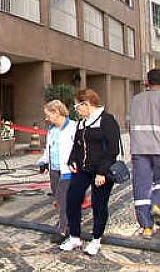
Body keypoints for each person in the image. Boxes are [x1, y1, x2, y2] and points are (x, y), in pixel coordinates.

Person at [60, 89, 120, 255]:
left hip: (101, 170)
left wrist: (102, 172)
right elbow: (77, 145)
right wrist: (72, 160)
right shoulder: (82, 122)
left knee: (99, 204)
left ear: (86, 104)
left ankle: (96, 239)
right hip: (83, 169)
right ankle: (74, 236)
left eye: (77, 106)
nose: (76, 110)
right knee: (72, 199)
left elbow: (113, 149)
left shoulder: (107, 121)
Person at [38, 100, 76, 243]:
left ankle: (63, 229)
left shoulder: (73, 128)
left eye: (48, 115)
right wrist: (44, 161)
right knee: (59, 199)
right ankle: (66, 222)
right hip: (54, 169)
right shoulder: (52, 130)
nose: (47, 118)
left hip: (68, 171)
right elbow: (49, 148)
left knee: (63, 199)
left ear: (57, 112)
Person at [129, 69, 160, 239]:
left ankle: (146, 226)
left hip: (139, 150)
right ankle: (157, 205)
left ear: (147, 82)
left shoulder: (136, 99)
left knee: (141, 186)